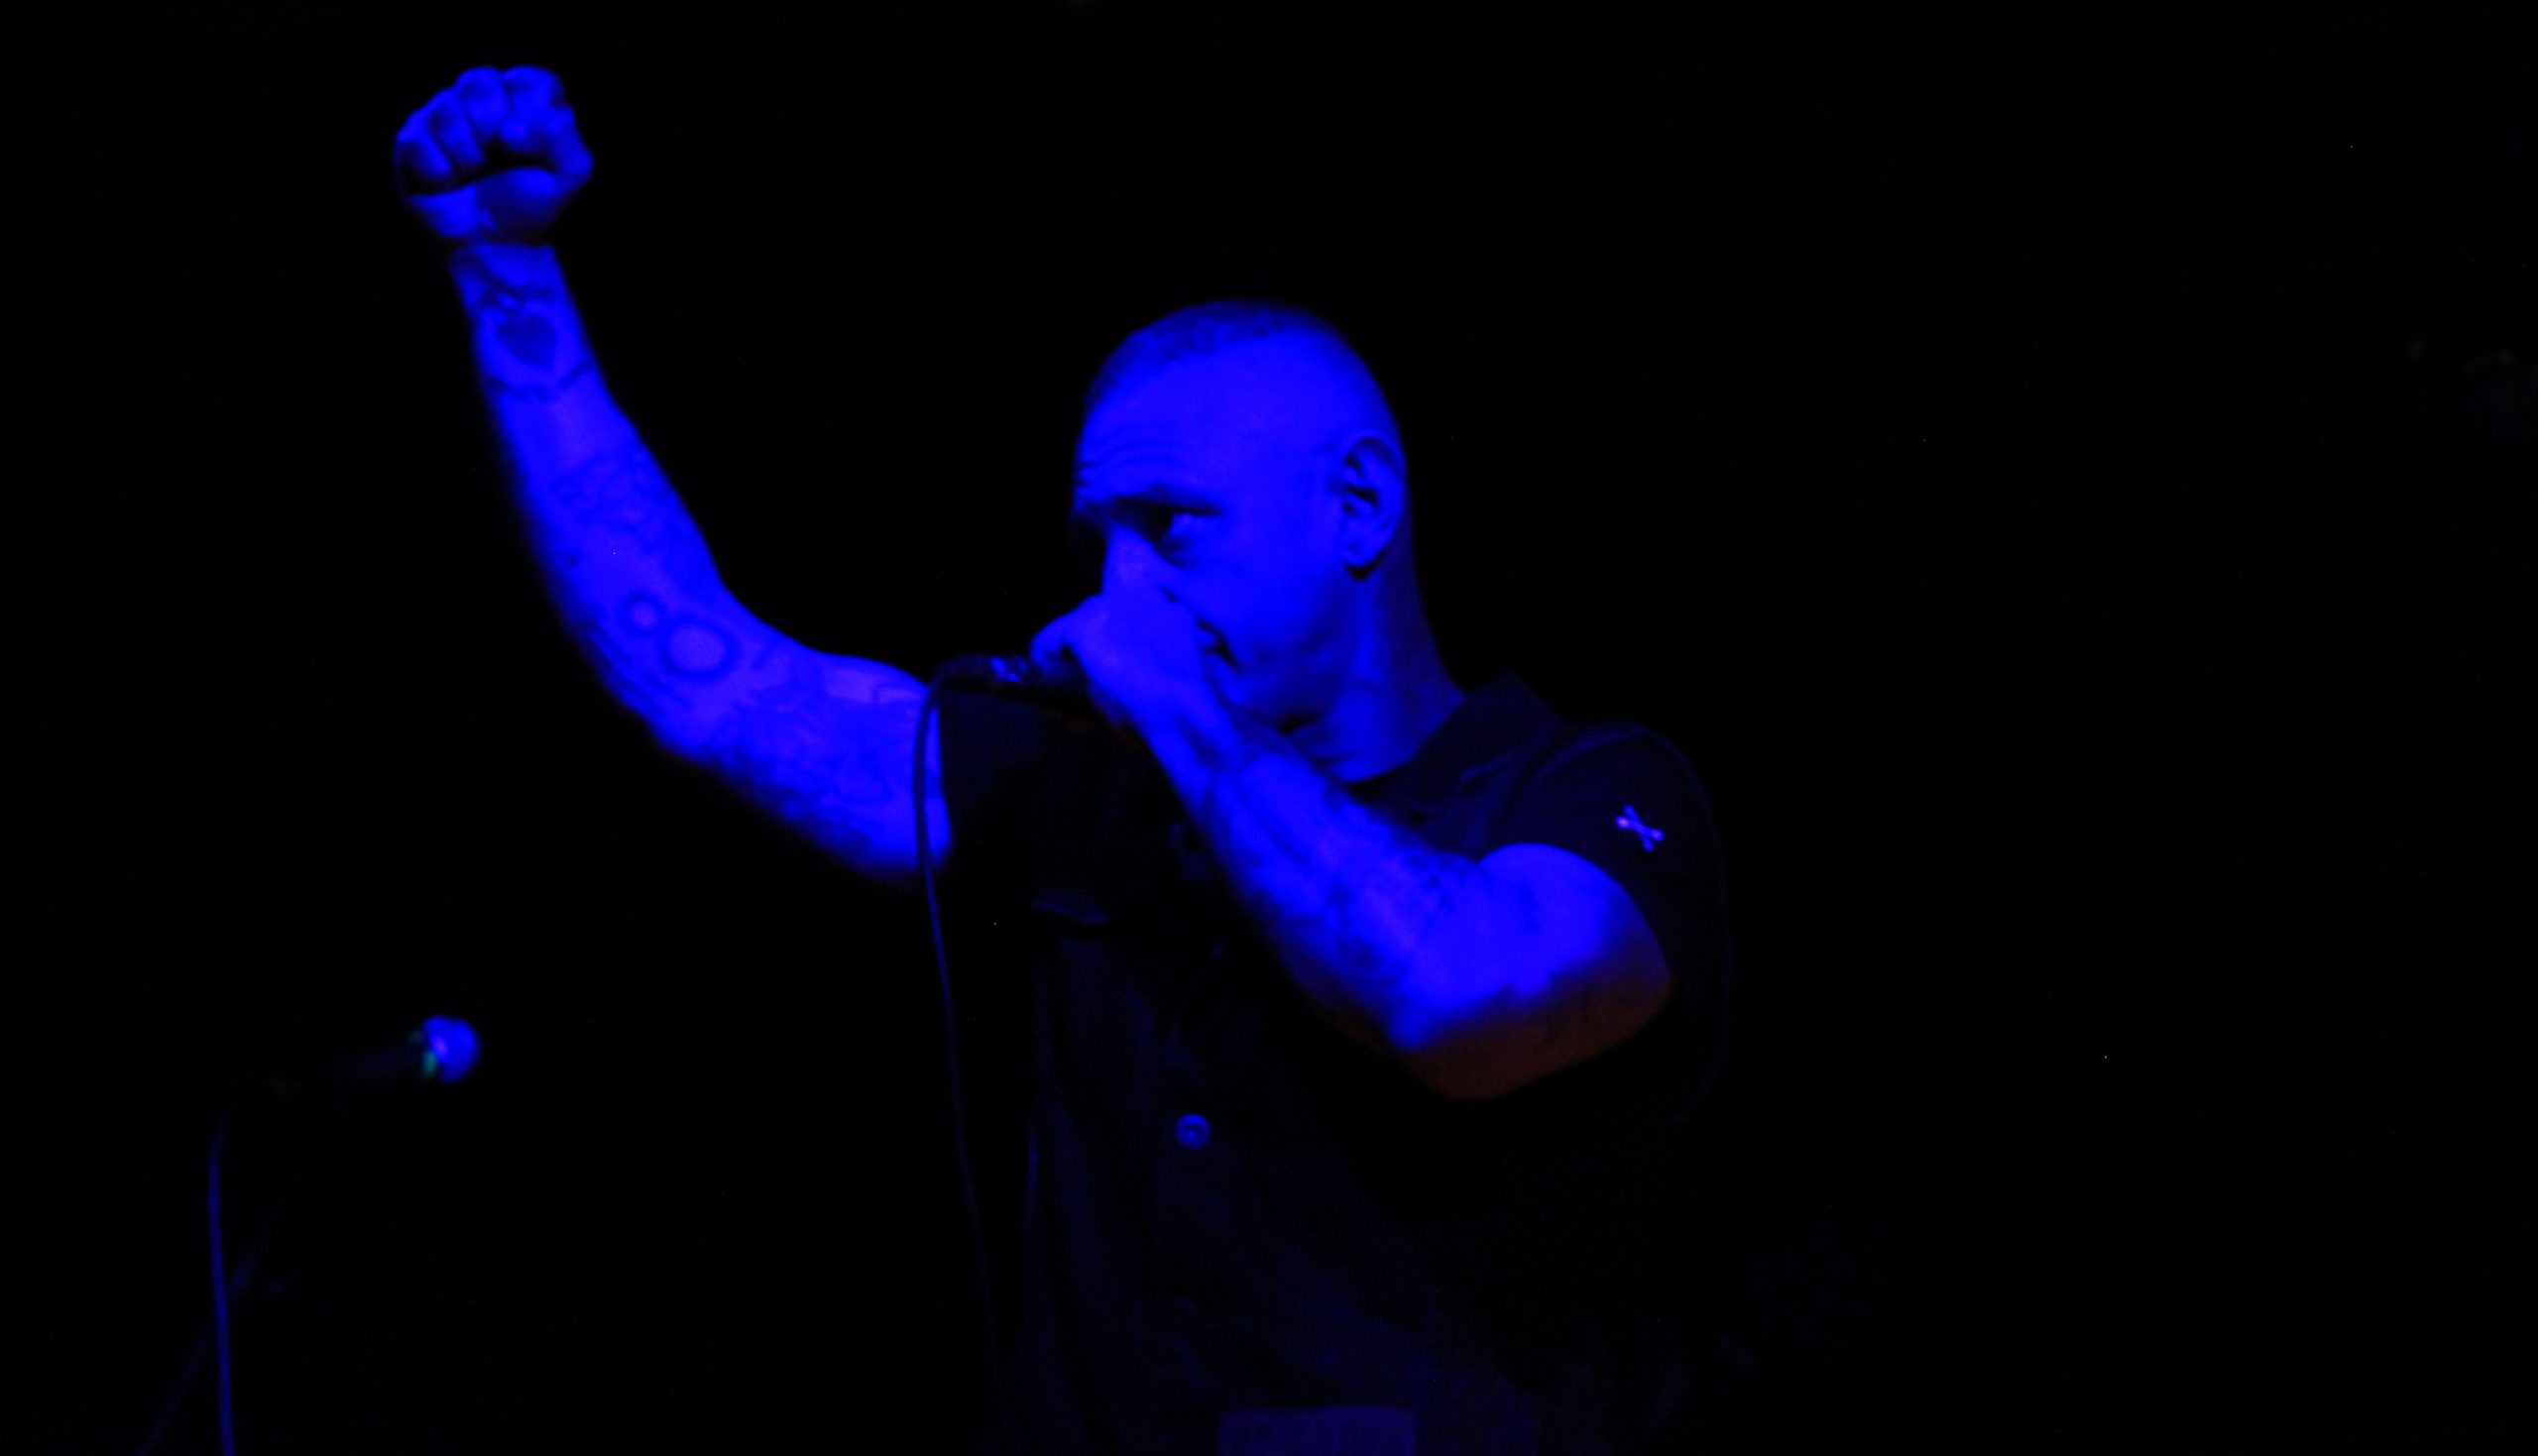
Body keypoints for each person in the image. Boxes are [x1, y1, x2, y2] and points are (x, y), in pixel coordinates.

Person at [397, 65, 1734, 1455]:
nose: (1114, 592)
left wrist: (1183, 713)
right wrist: (507, 273)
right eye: (1099, 541)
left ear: (1358, 506)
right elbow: (707, 678)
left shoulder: (1591, 791)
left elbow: (1462, 1000)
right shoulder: (1081, 786)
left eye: (1170, 527)